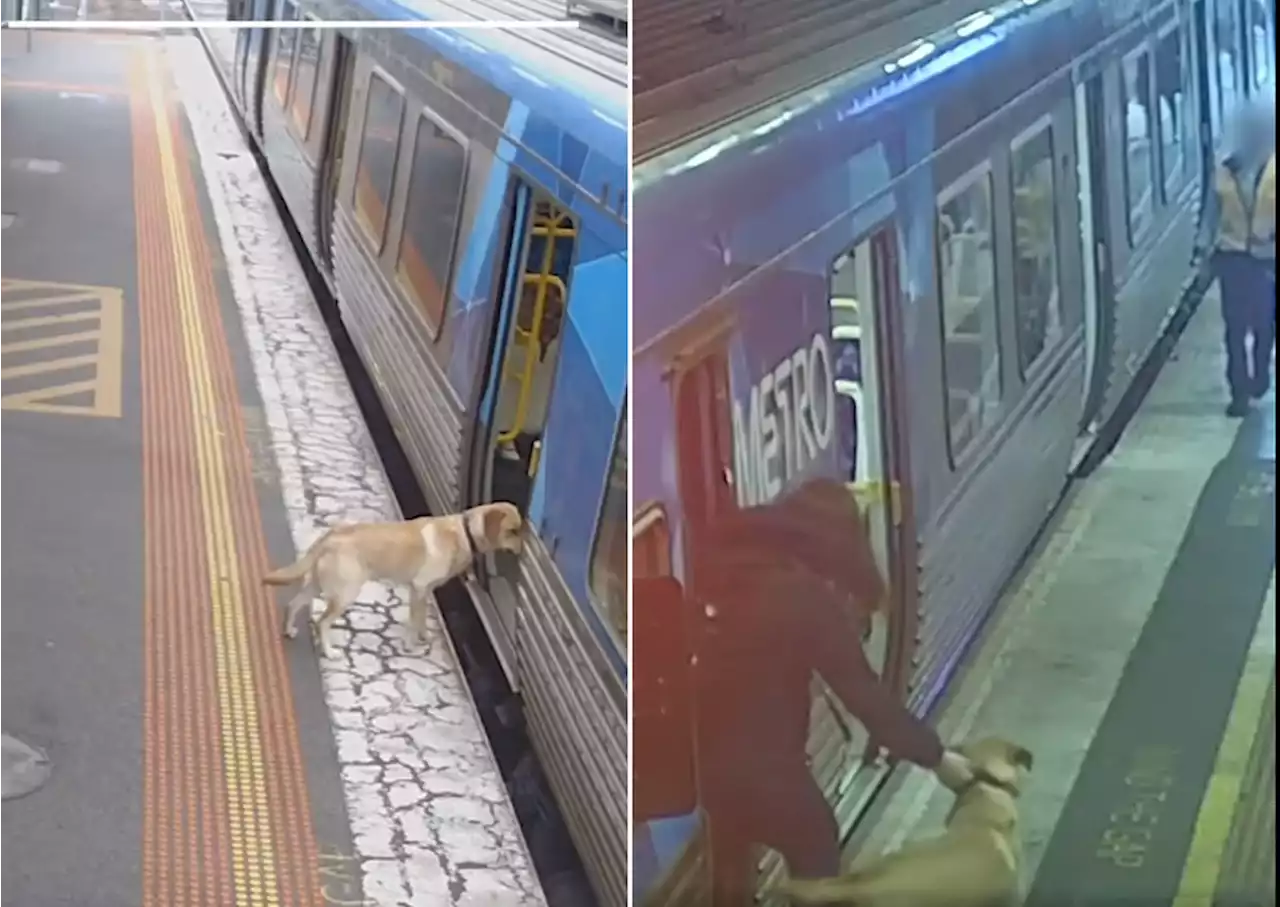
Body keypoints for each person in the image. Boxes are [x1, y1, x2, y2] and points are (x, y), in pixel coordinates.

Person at [1204, 99, 1275, 416]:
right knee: (1234, 328)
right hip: (1232, 258)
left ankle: (1260, 373)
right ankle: (1239, 392)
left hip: (1267, 257)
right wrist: (1204, 251)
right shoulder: (1222, 174)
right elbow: (1209, 217)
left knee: (1263, 324)